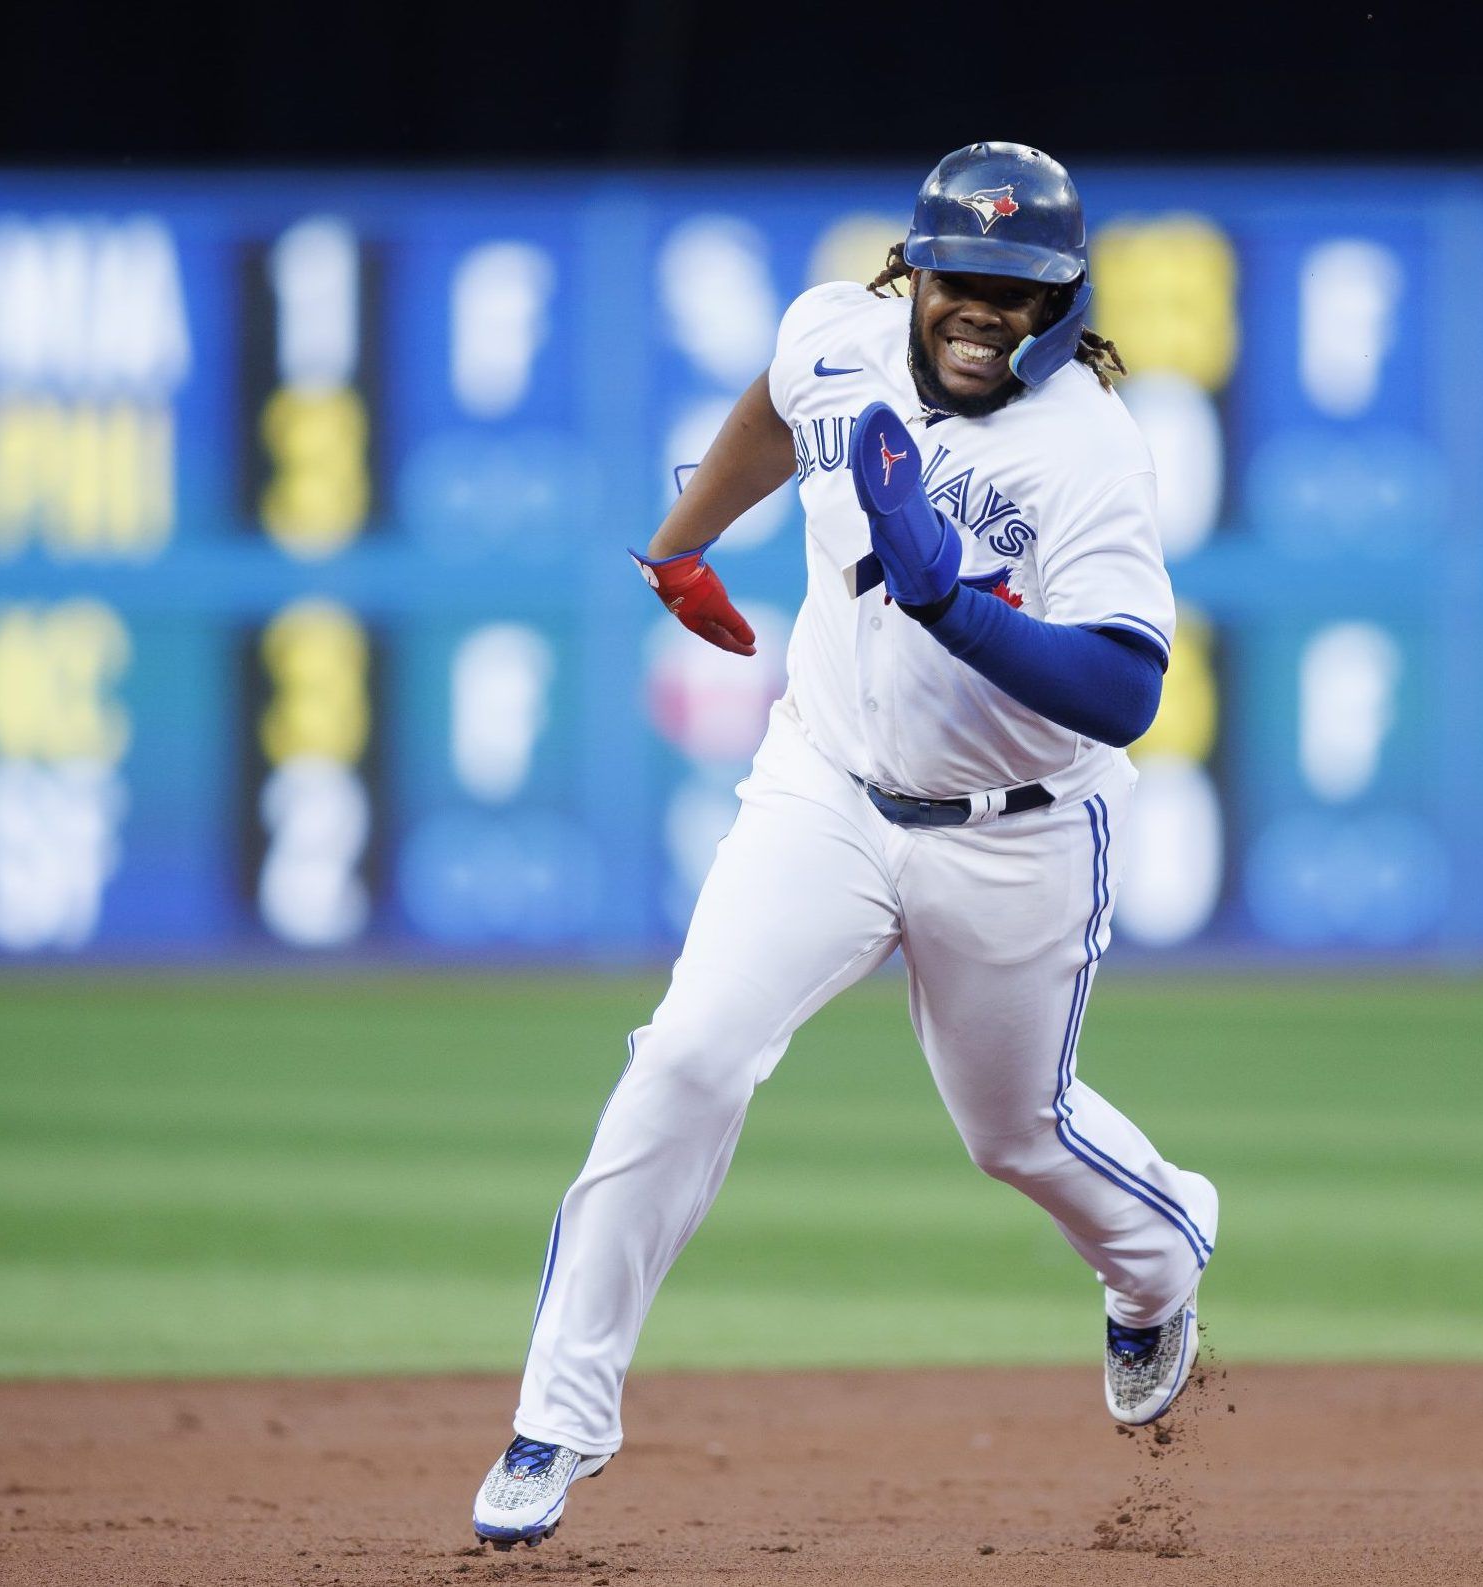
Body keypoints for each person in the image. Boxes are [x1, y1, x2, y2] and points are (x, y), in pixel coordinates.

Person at [471, 140, 1219, 1551]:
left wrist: (954, 608)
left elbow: (1127, 687)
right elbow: (773, 400)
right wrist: (680, 545)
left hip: (1019, 832)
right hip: (824, 787)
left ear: (1062, 300)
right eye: (961, 277)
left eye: (1019, 287)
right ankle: (557, 1419)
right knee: (687, 1052)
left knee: (1015, 1133)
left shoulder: (1087, 450)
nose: (982, 308)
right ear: (913, 272)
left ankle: (1158, 1260)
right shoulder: (839, 335)